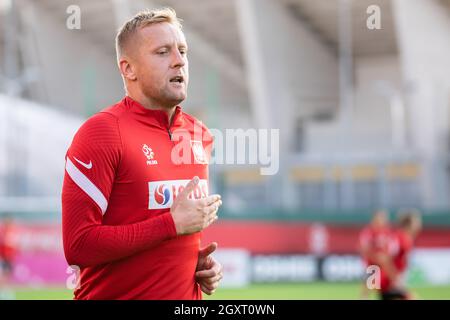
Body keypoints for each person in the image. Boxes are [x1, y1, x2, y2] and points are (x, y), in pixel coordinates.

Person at [62, 8, 223, 300]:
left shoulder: (199, 135)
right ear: (128, 69)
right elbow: (79, 245)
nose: (179, 61)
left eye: (182, 51)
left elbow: (176, 233)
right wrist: (170, 225)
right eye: (163, 52)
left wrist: (193, 264)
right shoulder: (101, 133)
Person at [376, 210, 422, 300]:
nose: (419, 225)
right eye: (416, 222)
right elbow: (384, 258)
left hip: (390, 282)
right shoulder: (401, 238)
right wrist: (395, 279)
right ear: (409, 224)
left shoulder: (404, 238)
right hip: (389, 283)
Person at [358, 209, 390, 299]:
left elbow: (390, 248)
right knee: (367, 288)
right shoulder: (368, 232)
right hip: (371, 265)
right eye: (380, 218)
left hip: (384, 266)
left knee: (387, 289)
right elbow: (364, 248)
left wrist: (385, 258)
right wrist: (376, 257)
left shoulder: (387, 232)